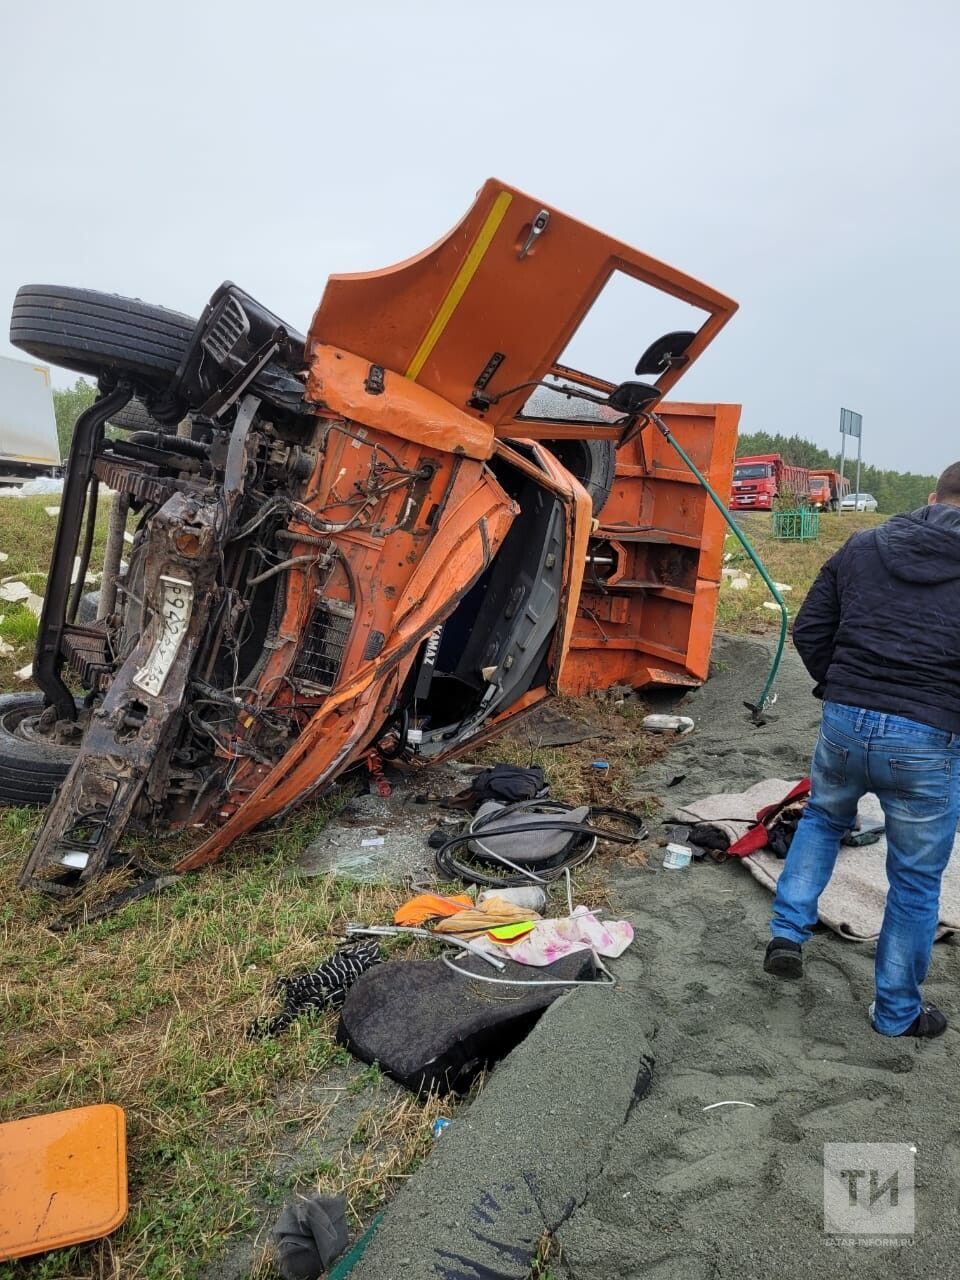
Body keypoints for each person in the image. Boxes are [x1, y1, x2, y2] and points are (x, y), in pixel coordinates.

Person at [765, 463, 960, 1038]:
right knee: (916, 880)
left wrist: (843, 688)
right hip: (929, 736)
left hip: (845, 722)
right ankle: (897, 1012)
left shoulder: (863, 545)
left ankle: (787, 932)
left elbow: (809, 627)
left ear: (931, 499)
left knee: (824, 819)